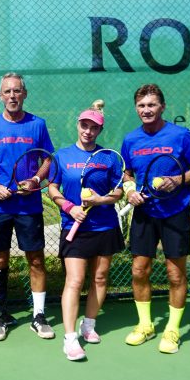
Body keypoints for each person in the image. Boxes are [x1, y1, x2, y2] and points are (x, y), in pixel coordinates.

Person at [120, 83, 190, 353]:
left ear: (162, 107)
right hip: (144, 213)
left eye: (151, 105)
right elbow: (126, 172)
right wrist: (130, 190)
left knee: (175, 274)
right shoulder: (131, 139)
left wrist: (178, 180)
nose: (146, 110)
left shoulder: (180, 135)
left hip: (175, 212)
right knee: (138, 270)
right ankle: (145, 325)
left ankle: (172, 330)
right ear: (136, 108)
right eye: (142, 106)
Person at [0, 72, 55, 341]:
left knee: (36, 260)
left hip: (29, 207)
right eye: (7, 92)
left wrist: (34, 179)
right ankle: (0, 316)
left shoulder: (37, 125)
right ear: (0, 96)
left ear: (24, 93)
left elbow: (46, 160)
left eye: (17, 91)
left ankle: (39, 316)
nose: (12, 96)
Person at [47, 103, 125, 361]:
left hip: (105, 226)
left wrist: (98, 201)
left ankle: (88, 324)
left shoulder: (109, 157)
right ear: (78, 125)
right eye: (84, 125)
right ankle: (70, 339)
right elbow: (53, 189)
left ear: (100, 129)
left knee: (100, 278)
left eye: (94, 127)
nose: (88, 131)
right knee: (75, 280)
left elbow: (118, 192)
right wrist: (70, 207)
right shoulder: (62, 156)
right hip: (74, 227)